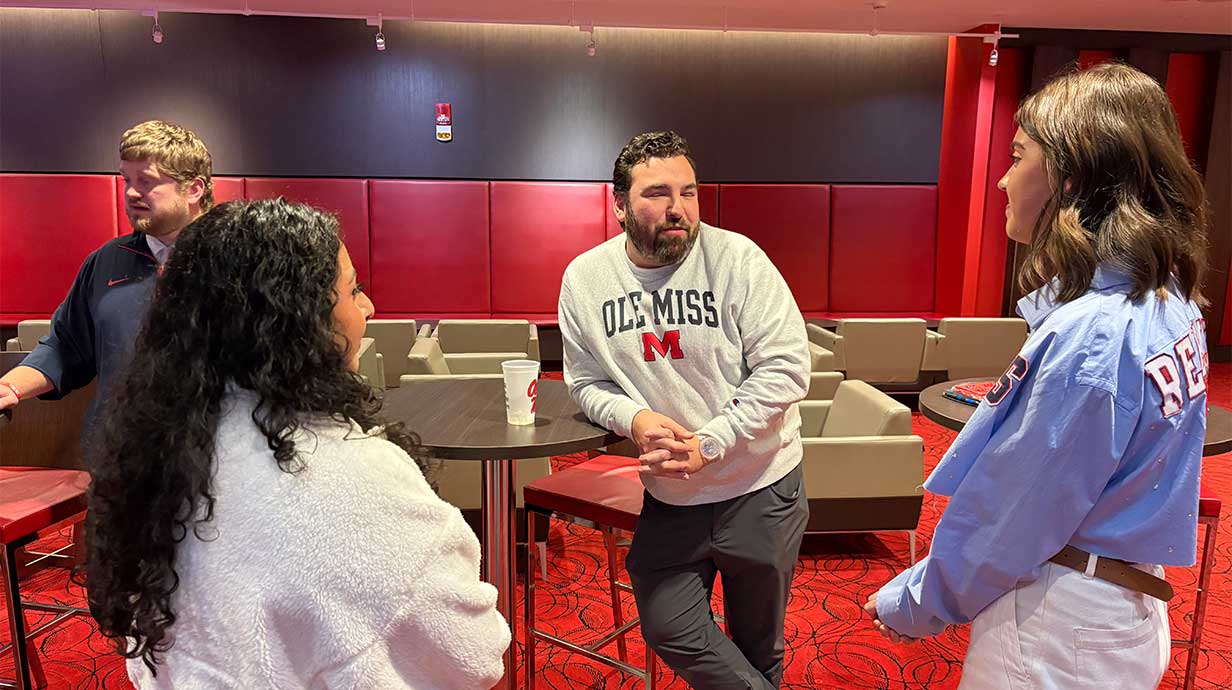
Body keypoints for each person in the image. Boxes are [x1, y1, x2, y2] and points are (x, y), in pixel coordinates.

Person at [866, 62, 1209, 690]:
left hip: (1062, 620)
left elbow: (1015, 510)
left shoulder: (1093, 337)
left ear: (1068, 179)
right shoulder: (1167, 300)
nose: (1001, 179)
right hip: (1118, 605)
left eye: (1019, 155)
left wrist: (919, 599)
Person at [84, 199, 511, 689]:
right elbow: (471, 653)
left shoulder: (161, 453)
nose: (367, 308)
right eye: (352, 291)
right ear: (297, 320)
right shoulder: (359, 475)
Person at [558, 131, 812, 689]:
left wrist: (710, 443)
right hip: (672, 496)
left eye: (689, 192)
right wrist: (635, 419)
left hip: (761, 485)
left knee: (756, 647)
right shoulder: (585, 280)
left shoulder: (739, 259)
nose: (678, 209)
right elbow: (584, 382)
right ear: (619, 204)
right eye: (657, 193)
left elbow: (788, 368)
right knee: (670, 625)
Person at [0, 120, 212, 432]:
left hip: (214, 456)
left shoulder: (237, 259)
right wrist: (10, 387)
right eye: (126, 180)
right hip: (118, 454)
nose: (131, 193)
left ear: (194, 189)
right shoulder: (107, 261)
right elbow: (66, 345)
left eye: (146, 182)